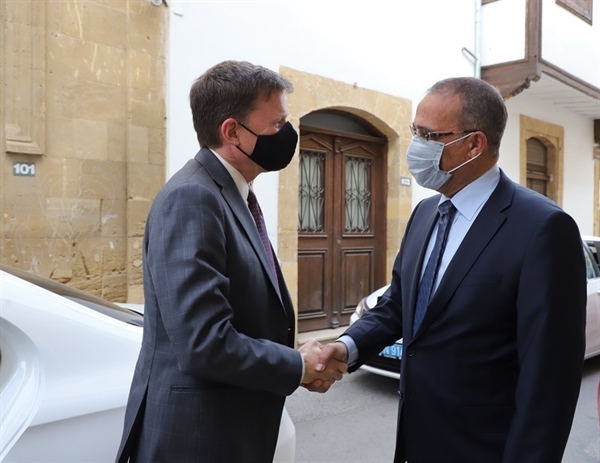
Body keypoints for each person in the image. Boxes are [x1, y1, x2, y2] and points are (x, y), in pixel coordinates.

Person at [316, 77, 587, 462]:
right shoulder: (425, 213)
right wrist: (346, 346)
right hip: (415, 442)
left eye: (429, 136)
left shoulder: (543, 228)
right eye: (415, 132)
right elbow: (398, 305)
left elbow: (550, 379)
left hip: (484, 450)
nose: (416, 146)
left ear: (475, 144)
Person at [115, 60, 346, 463]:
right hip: (199, 440)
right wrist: (297, 365)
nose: (286, 133)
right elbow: (204, 342)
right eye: (277, 124)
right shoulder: (192, 197)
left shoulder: (231, 193)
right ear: (232, 131)